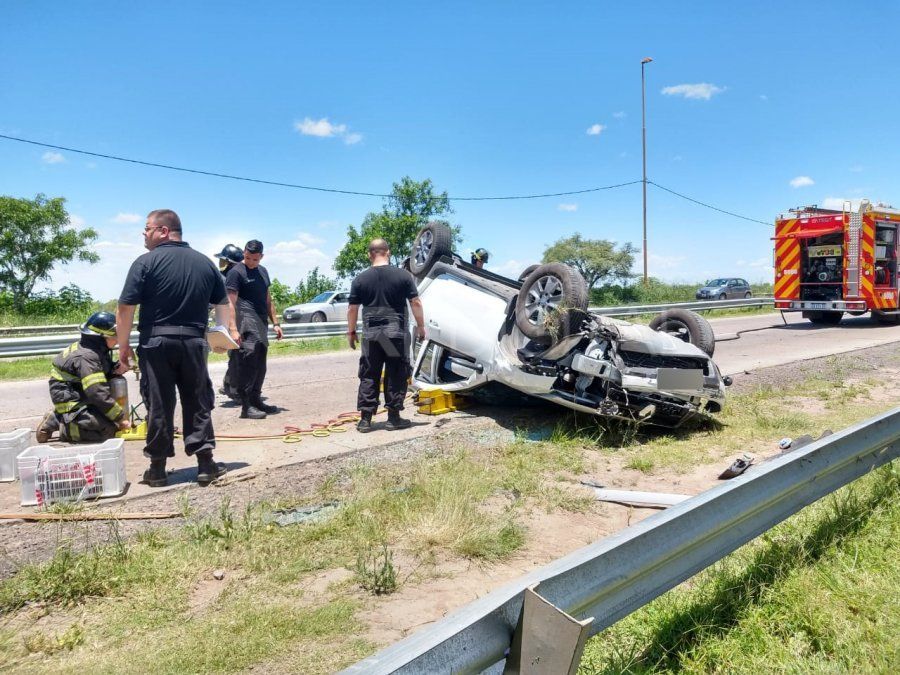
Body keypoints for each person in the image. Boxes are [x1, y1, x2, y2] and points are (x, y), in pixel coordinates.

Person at [116, 209, 238, 487]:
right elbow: (222, 304)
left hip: (156, 342)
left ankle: (157, 469)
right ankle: (205, 465)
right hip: (194, 343)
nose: (143, 235)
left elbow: (125, 307)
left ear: (163, 231)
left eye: (147, 229)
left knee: (159, 402)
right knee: (197, 400)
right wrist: (219, 336)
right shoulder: (205, 264)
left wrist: (123, 346)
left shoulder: (145, 262)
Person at [347, 238, 426, 432]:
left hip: (371, 335)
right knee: (396, 373)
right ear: (387, 252)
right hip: (395, 334)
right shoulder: (403, 276)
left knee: (369, 374)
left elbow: (352, 308)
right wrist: (422, 326)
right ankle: (393, 418)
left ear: (369, 254)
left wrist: (351, 332)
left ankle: (365, 419)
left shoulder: (360, 279)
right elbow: (415, 302)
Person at [35, 311, 131, 443]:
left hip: (81, 393)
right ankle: (64, 426)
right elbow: (97, 392)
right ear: (100, 337)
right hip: (70, 398)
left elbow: (99, 375)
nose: (117, 340)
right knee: (108, 431)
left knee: (111, 421)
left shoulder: (96, 350)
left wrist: (115, 370)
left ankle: (64, 417)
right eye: (113, 337)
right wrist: (120, 419)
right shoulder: (87, 357)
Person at [225, 239, 283, 419]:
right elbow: (230, 303)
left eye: (255, 259)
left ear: (262, 257)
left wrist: (276, 322)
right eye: (248, 258)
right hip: (245, 321)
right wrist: (233, 329)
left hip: (260, 322)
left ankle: (256, 400)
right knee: (248, 363)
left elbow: (268, 299)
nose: (251, 262)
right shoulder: (236, 272)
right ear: (243, 253)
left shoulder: (263, 272)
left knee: (260, 365)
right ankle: (246, 406)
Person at [214, 243, 244, 401]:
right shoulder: (223, 278)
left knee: (237, 355)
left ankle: (228, 384)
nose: (221, 264)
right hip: (230, 322)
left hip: (236, 321)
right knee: (237, 356)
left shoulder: (232, 277)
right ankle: (233, 389)